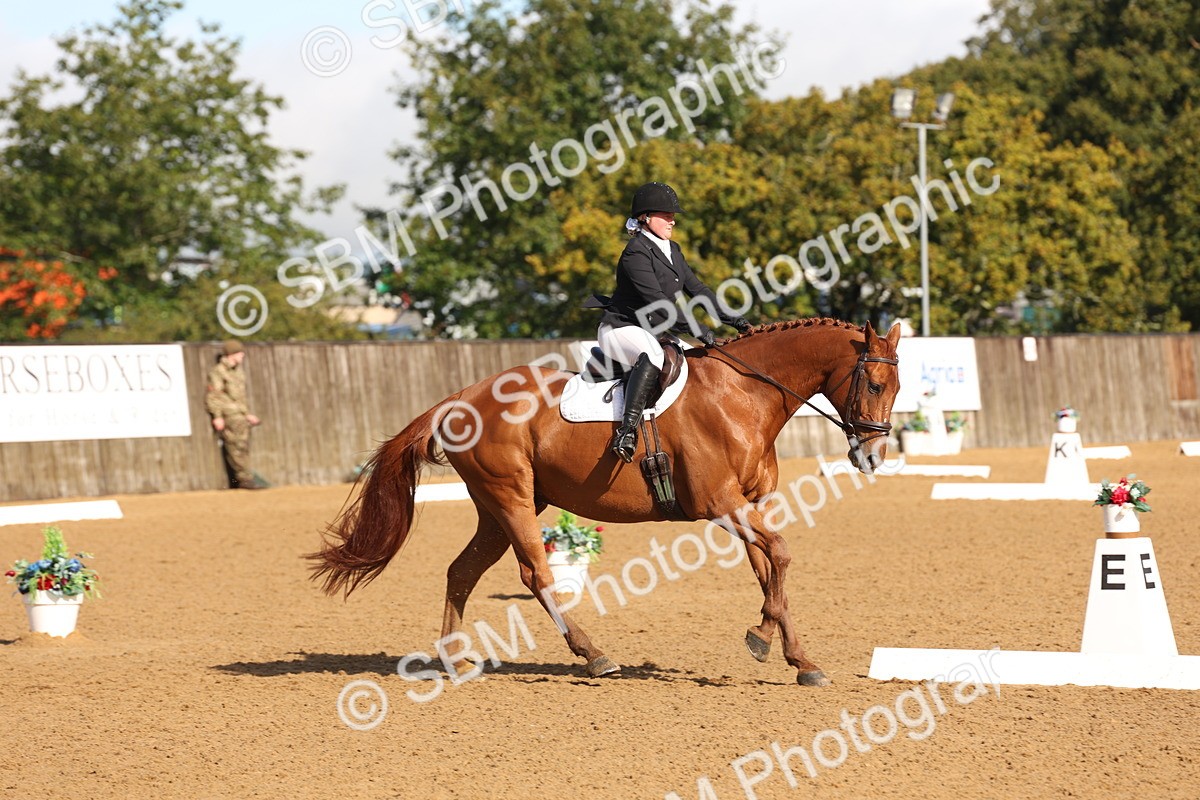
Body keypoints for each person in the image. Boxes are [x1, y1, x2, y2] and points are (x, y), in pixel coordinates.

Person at [589, 182, 752, 463]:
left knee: (693, 366)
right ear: (645, 218)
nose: (672, 220)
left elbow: (699, 291)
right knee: (652, 357)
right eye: (666, 215)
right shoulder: (635, 253)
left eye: (672, 215)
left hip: (654, 329)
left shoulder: (672, 250)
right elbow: (658, 303)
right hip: (622, 328)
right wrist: (698, 330)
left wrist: (736, 321)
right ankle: (626, 432)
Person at [205, 339, 266, 489]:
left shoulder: (237, 371)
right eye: (239, 353)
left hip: (239, 414)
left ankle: (245, 477)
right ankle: (243, 479)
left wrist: (247, 414)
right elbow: (214, 395)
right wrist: (218, 416)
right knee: (236, 446)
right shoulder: (219, 371)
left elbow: (239, 397)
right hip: (229, 414)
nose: (242, 356)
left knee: (242, 446)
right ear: (231, 354)